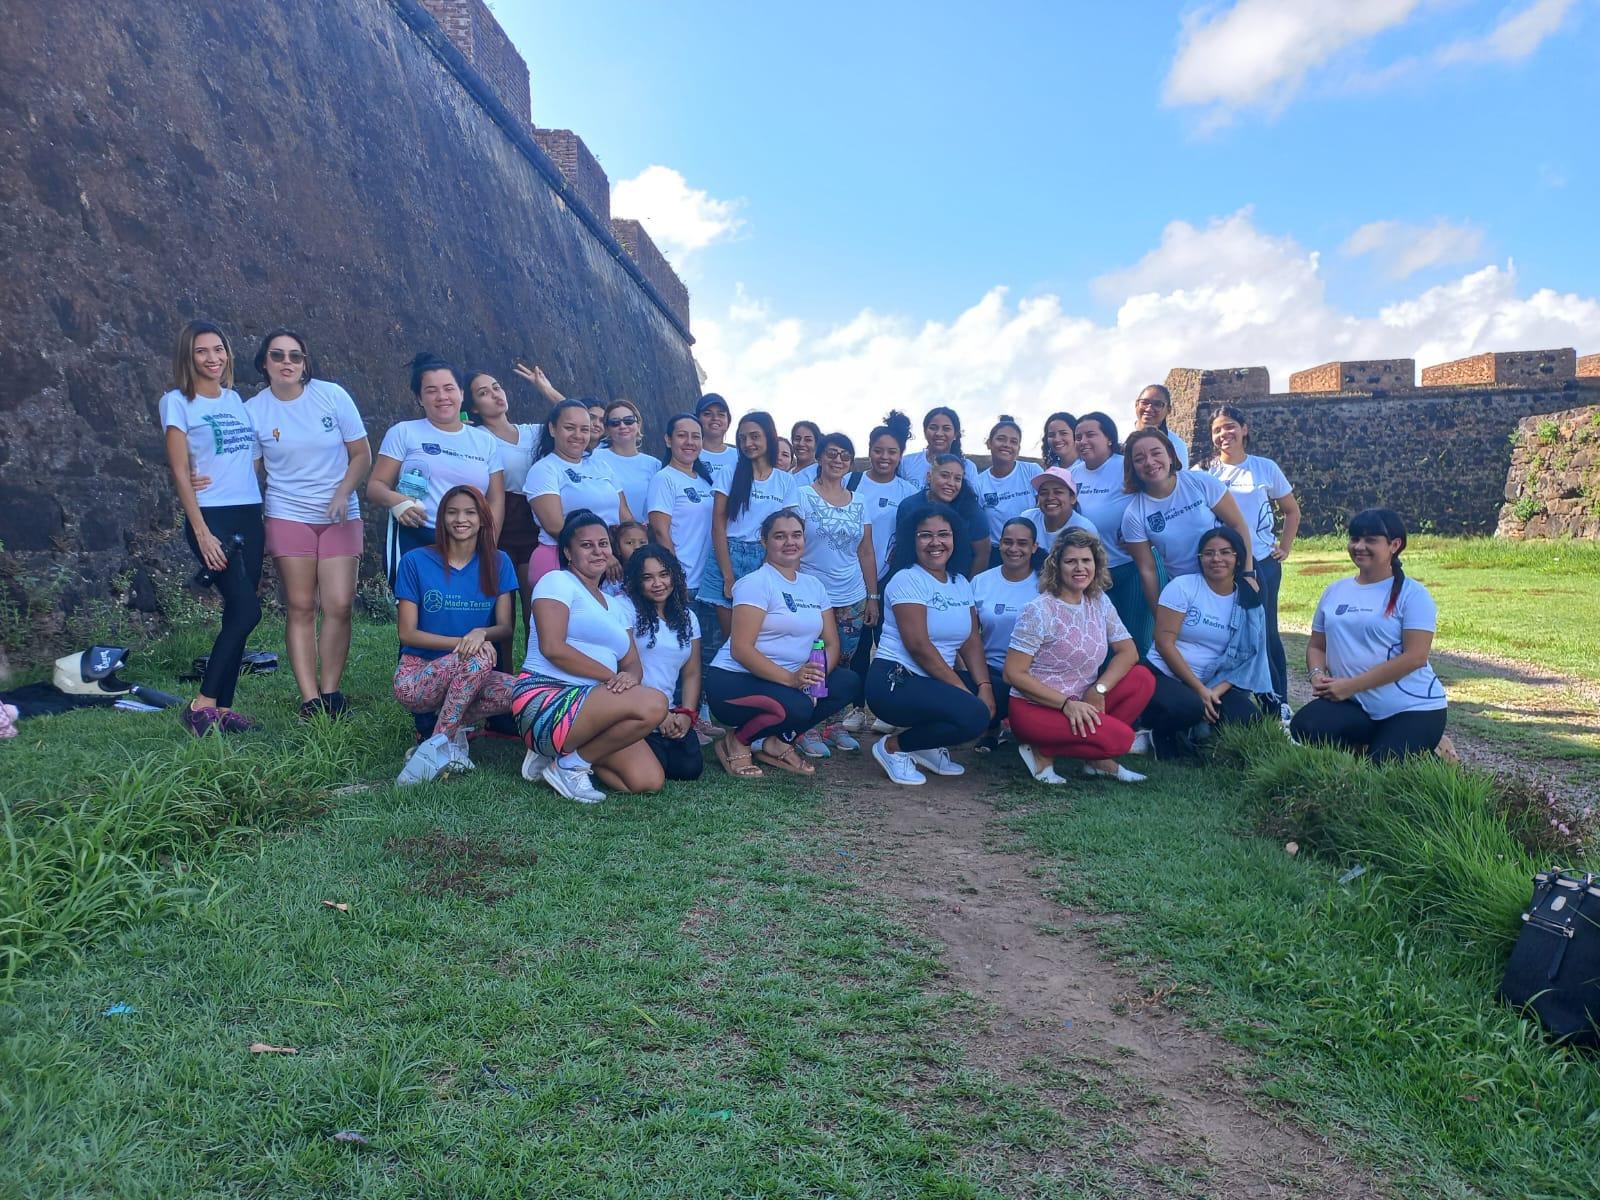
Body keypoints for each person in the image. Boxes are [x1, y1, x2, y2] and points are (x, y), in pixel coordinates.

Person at [245, 328, 370, 720]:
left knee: (339, 605)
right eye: (278, 355)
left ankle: (332, 690)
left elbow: (361, 455)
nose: (287, 363)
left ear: (305, 363)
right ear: (264, 363)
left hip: (339, 514)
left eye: (295, 356)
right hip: (287, 513)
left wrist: (341, 493)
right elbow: (249, 470)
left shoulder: (332, 396)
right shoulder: (254, 411)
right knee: (300, 606)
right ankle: (310, 698)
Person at [514, 511, 667, 802]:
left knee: (647, 780)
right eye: (587, 545)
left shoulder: (616, 605)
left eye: (603, 544)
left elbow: (632, 663)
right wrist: (611, 678)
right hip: (548, 697)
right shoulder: (557, 582)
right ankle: (570, 764)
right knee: (654, 703)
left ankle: (564, 757)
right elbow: (553, 647)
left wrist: (628, 678)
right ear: (568, 552)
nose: (598, 551)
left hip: (596, 702)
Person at [161, 320, 264, 736]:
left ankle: (222, 709)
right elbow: (178, 468)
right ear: (189, 356)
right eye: (202, 351)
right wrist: (202, 530)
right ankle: (201, 704)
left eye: (218, 349)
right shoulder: (178, 401)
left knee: (237, 612)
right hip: (213, 516)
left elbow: (251, 456)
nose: (213, 358)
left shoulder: (236, 399)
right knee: (247, 610)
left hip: (248, 513)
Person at [704, 509, 861, 778]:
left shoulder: (814, 586)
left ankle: (776, 742)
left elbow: (831, 643)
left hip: (787, 682)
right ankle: (737, 740)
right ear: (764, 542)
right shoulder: (755, 583)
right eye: (780, 536)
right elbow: (740, 649)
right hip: (734, 679)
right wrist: (792, 680)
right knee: (796, 705)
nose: (790, 542)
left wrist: (816, 682)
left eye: (796, 535)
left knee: (847, 682)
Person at [1290, 509, 1447, 762]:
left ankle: (1431, 747)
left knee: (1380, 774)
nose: (1359, 546)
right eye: (1354, 539)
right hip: (1357, 705)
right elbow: (1317, 646)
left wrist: (1350, 685)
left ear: (1394, 545)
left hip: (1411, 708)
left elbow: (1416, 657)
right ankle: (1374, 744)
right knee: (1304, 727)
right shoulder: (1335, 591)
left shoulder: (1413, 594)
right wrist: (1316, 675)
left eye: (1370, 540)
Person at [1004, 529, 1155, 784]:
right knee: (1122, 740)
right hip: (1037, 707)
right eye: (1071, 561)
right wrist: (1065, 704)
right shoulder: (1039, 610)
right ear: (1056, 566)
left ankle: (1091, 758)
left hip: (1085, 698)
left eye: (1086, 561)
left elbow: (1129, 651)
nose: (1080, 568)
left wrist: (1099, 688)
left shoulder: (1098, 601)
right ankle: (1043, 749)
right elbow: (1012, 673)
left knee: (1142, 679)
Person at [392, 485, 518, 784]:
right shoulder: (415, 561)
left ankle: (438, 739)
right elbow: (407, 633)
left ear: (483, 519)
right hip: (417, 677)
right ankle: (442, 746)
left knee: (524, 691)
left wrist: (480, 632)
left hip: (472, 675)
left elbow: (505, 627)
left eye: (470, 512)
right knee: (477, 659)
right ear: (441, 518)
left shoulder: (499, 561)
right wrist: (466, 645)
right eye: (452, 512)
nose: (461, 519)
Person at [865, 505, 994, 786]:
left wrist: (985, 687)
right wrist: (963, 692)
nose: (935, 542)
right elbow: (919, 646)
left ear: (954, 538)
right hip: (895, 682)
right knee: (973, 714)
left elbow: (971, 639)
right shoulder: (906, 579)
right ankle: (893, 747)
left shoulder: (960, 582)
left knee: (1002, 695)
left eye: (943, 535)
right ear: (912, 541)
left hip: (933, 680)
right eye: (925, 535)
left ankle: (923, 745)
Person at [368, 353, 505, 584]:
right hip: (416, 535)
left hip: (469, 539)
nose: (442, 396)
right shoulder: (404, 432)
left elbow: (496, 499)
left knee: (465, 611)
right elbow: (375, 487)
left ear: (461, 394)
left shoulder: (485, 441)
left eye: (449, 388)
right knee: (417, 614)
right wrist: (397, 500)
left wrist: (489, 542)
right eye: (431, 391)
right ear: (420, 398)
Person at [1139, 527, 1271, 756]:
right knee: (1189, 706)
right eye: (1208, 553)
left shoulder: (1248, 600)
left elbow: (1247, 655)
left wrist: (1215, 691)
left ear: (1238, 558)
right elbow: (1163, 642)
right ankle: (1158, 732)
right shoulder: (1183, 587)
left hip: (1214, 680)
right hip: (1164, 674)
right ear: (1200, 559)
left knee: (1250, 719)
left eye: (1225, 552)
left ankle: (1194, 730)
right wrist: (1199, 689)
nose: (1217, 559)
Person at [1207, 405, 1300, 713]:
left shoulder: (1263, 468)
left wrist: (1283, 547)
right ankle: (1228, 700)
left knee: (1265, 631)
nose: (1224, 434)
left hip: (1261, 559)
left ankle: (1278, 702)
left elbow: (1291, 510)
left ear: (1245, 429)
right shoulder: (1207, 472)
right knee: (1227, 630)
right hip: (1223, 563)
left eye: (1230, 426)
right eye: (1218, 430)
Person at [794, 432, 879, 756]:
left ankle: (835, 724)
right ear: (818, 457)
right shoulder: (802, 495)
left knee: (841, 662)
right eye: (831, 453)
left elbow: (866, 550)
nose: (838, 460)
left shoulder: (859, 501)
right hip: (812, 593)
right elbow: (794, 542)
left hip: (852, 595)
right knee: (811, 658)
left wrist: (872, 596)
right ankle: (807, 726)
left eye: (845, 455)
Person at [1120, 429, 1254, 625]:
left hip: (1231, 579)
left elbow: (1238, 525)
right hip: (1188, 592)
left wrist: (1248, 574)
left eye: (1156, 453)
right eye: (1139, 458)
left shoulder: (1200, 482)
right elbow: (1148, 570)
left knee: (1252, 642)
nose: (1149, 462)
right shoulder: (1134, 514)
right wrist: (1161, 616)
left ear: (1171, 455)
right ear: (1132, 467)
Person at [464, 368, 542, 672]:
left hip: (534, 525)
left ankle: (536, 677)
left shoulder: (533, 431)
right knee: (500, 614)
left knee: (535, 609)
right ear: (473, 407)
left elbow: (578, 418)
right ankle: (501, 681)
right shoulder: (476, 436)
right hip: (498, 522)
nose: (495, 395)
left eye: (496, 387)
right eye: (483, 393)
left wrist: (544, 388)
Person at [700, 412, 799, 647]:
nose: (748, 444)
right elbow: (718, 525)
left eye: (755, 436)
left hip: (766, 558)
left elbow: (790, 529)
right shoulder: (730, 472)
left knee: (760, 636)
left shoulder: (784, 481)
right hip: (727, 555)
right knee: (728, 640)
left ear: (770, 437)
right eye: (742, 438)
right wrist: (727, 576)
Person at [618, 545, 706, 781]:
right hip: (633, 711)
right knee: (655, 767)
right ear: (636, 581)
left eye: (664, 574)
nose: (658, 583)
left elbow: (692, 672)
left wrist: (687, 714)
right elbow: (619, 668)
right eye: (648, 578)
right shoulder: (625, 609)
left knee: (688, 769)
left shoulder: (688, 617)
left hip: (670, 711)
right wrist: (658, 715)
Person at [523, 398, 631, 585]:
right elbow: (555, 526)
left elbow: (625, 517)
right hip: (561, 560)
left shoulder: (601, 466)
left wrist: (629, 549)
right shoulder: (545, 469)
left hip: (610, 563)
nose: (577, 435)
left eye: (584, 429)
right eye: (570, 428)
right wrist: (602, 553)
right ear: (552, 429)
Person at [1069, 412, 1148, 655]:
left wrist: (1148, 535)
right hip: (1091, 573)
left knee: (1135, 639)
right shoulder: (1073, 473)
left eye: (1091, 434)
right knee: (1099, 641)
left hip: (1129, 567)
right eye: (1078, 436)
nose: (1083, 441)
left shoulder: (1126, 466)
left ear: (1109, 439)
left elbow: (1155, 498)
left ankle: (1144, 690)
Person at [972, 517, 1039, 751]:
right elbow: (967, 635)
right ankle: (991, 729)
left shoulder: (1046, 585)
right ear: (998, 544)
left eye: (1022, 543)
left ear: (1034, 547)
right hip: (991, 670)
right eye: (1007, 542)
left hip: (1036, 672)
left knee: (1029, 729)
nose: (1014, 549)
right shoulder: (981, 582)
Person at [646, 413, 717, 607]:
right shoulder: (664, 479)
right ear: (668, 440)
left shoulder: (706, 481)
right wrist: (676, 577)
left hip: (710, 582)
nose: (689, 442)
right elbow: (661, 532)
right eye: (682, 435)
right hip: (687, 584)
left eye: (696, 436)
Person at [894, 454, 991, 578]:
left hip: (958, 581)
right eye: (944, 476)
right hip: (917, 580)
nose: (951, 483)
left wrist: (969, 587)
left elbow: (982, 554)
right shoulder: (909, 506)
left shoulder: (972, 512)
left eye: (957, 479)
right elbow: (903, 549)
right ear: (929, 476)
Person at [591, 398, 661, 521]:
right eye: (615, 423)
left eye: (628, 421)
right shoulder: (594, 458)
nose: (622, 426)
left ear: (638, 424)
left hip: (644, 537)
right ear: (607, 429)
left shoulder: (654, 464)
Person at [976, 415, 1042, 545]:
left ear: (1018, 448)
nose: (1007, 445)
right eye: (1001, 439)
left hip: (1031, 548)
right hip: (997, 551)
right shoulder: (979, 483)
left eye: (1013, 441)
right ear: (989, 443)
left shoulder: (1032, 471)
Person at [898, 405, 980, 491]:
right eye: (933, 428)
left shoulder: (968, 467)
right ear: (925, 431)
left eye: (946, 429)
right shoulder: (907, 463)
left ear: (955, 434)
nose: (939, 433)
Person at [1017, 467, 1098, 547]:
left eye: (1058, 492)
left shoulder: (1085, 529)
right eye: (1044, 493)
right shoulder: (1027, 519)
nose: (1050, 497)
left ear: (1073, 498)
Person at [1133, 384, 1187, 467]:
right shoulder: (1118, 436)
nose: (1149, 409)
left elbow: (1179, 478)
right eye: (1144, 403)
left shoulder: (1176, 445)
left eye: (1157, 404)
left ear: (1169, 410)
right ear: (1136, 404)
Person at [695, 394, 738, 480]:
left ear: (728, 421)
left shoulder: (739, 456)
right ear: (697, 419)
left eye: (721, 414)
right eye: (707, 414)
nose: (715, 418)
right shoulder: (689, 453)